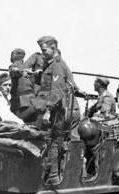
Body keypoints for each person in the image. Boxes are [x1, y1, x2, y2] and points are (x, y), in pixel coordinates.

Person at [31, 36, 85, 185]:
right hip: (61, 109)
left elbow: (57, 90)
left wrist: (48, 110)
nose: (42, 54)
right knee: (54, 141)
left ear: (53, 48)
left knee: (53, 141)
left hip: (60, 110)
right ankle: (56, 174)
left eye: (44, 50)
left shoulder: (57, 65)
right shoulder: (52, 65)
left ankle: (54, 176)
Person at [8, 48, 37, 123]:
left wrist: (20, 71)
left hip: (21, 103)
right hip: (32, 101)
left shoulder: (14, 65)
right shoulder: (28, 69)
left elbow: (14, 70)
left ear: (14, 55)